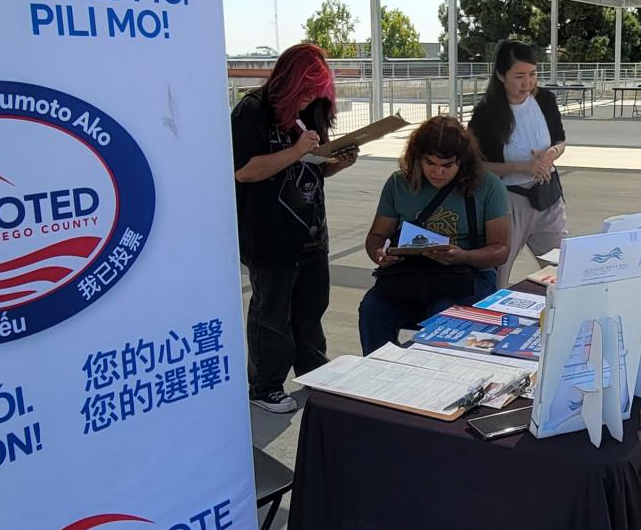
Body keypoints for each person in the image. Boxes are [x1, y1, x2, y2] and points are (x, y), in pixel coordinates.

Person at [232, 43, 357, 414]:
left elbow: (315, 167)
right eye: (303, 91)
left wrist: (339, 162)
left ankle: (314, 373)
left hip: (312, 233)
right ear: (287, 80)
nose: (309, 99)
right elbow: (244, 170)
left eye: (316, 92)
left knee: (310, 310)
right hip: (269, 234)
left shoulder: (314, 110)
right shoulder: (252, 110)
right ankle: (265, 385)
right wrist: (297, 150)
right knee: (271, 314)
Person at [358, 117, 512, 354]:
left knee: (442, 315)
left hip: (466, 275)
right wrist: (380, 254)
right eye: (429, 163)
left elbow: (500, 250)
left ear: (462, 162)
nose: (437, 172)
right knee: (372, 309)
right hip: (411, 273)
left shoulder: (488, 186)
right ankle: (379, 370)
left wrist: (463, 256)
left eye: (447, 165)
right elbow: (377, 236)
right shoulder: (399, 183)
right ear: (417, 157)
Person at [469, 40, 567, 280]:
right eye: (519, 76)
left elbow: (560, 141)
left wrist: (550, 155)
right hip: (507, 202)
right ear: (501, 75)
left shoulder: (545, 100)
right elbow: (474, 163)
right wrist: (520, 167)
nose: (528, 83)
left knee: (563, 269)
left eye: (533, 74)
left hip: (547, 197)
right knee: (497, 275)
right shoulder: (486, 113)